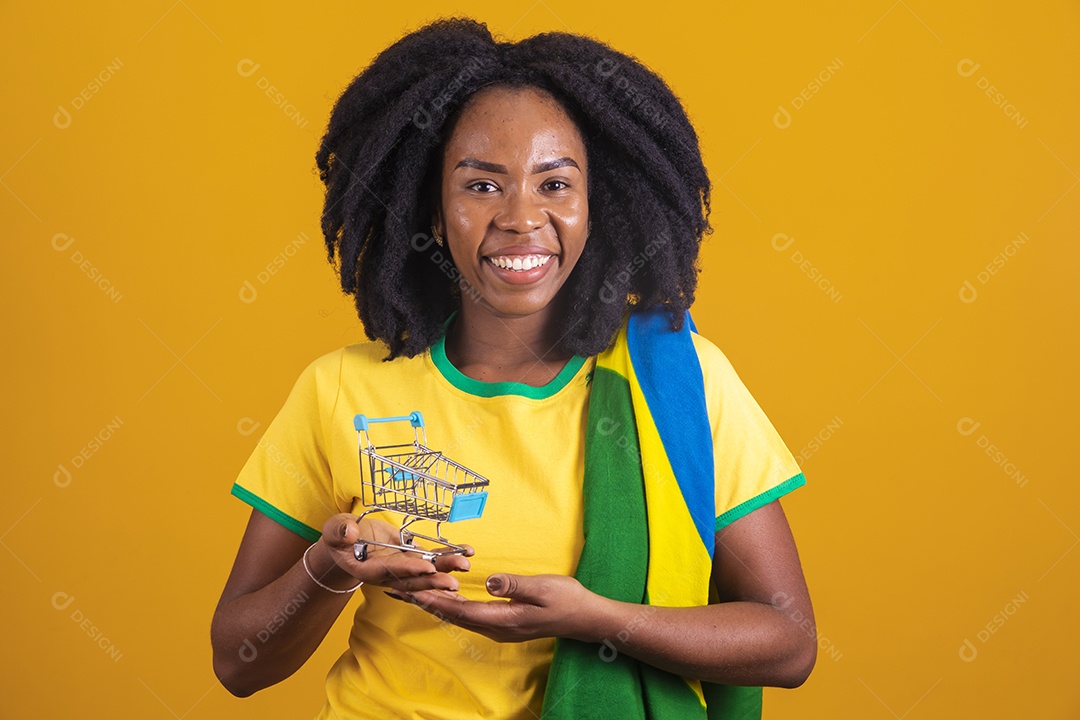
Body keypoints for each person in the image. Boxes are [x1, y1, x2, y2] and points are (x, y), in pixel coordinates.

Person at [211, 17, 816, 720]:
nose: (521, 218)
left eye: (555, 184)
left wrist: (595, 619)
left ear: (598, 205)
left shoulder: (684, 385)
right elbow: (237, 661)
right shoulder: (340, 389)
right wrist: (330, 568)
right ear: (433, 212)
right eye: (481, 186)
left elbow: (788, 643)